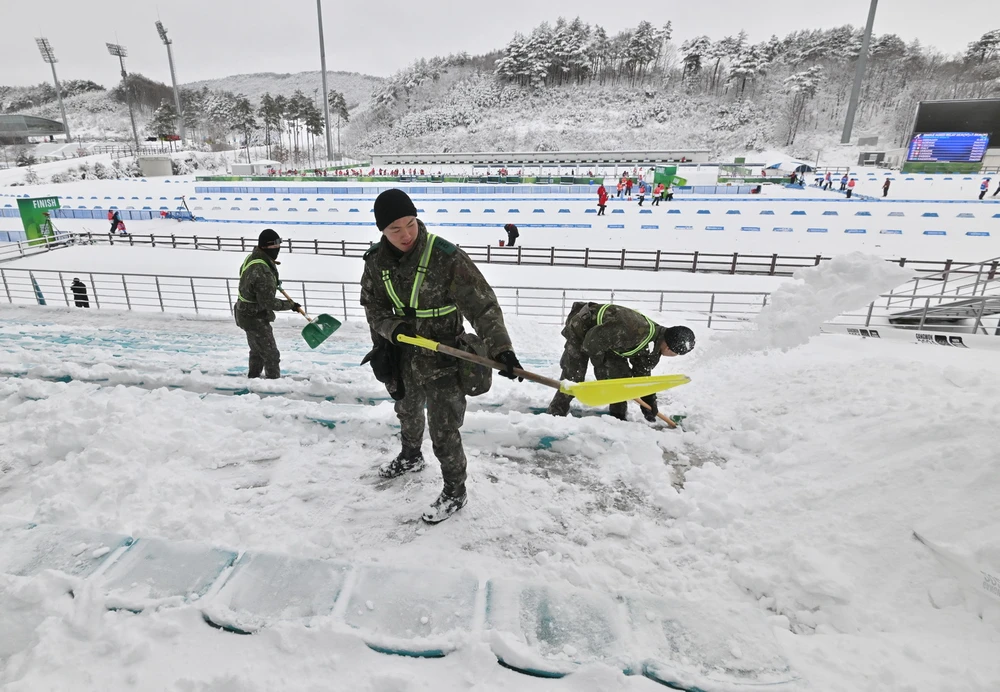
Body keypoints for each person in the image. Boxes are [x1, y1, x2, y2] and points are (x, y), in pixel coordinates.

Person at [360, 189, 522, 524]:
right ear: (382, 231)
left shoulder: (445, 256)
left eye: (410, 224)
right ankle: (410, 456)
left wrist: (501, 348)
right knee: (406, 412)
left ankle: (455, 491)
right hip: (402, 355)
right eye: (395, 230)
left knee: (444, 428)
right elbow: (373, 309)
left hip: (444, 358)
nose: (406, 234)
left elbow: (483, 305)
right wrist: (392, 329)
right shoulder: (376, 262)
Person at [546, 302, 694, 421]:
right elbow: (592, 342)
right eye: (676, 353)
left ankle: (618, 417)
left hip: (608, 339)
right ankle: (556, 413)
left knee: (620, 379)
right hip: (583, 327)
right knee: (574, 376)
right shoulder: (633, 331)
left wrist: (649, 402)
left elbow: (642, 374)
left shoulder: (654, 345)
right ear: (669, 348)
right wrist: (601, 368)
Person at [234, 229, 301, 380]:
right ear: (268, 246)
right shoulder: (262, 270)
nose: (278, 249)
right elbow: (268, 302)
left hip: (244, 312)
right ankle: (274, 384)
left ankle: (253, 378)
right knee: (271, 354)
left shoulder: (253, 258)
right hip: (254, 317)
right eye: (276, 245)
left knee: (257, 350)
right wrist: (290, 305)